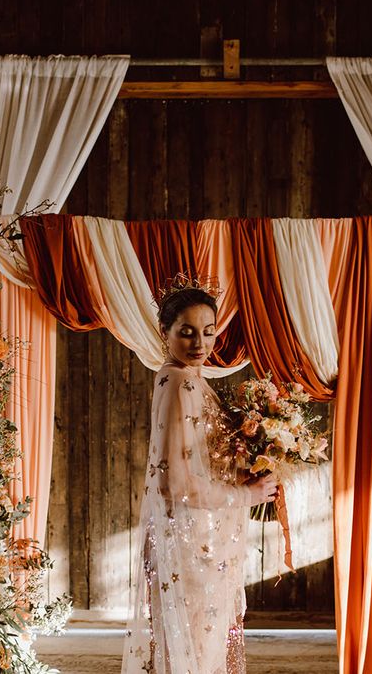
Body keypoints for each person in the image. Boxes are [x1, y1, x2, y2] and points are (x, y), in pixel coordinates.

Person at [122, 280, 278, 674]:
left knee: (195, 653)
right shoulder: (179, 381)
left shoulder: (184, 377)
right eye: (186, 332)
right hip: (192, 547)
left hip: (199, 541)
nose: (199, 343)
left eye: (208, 332)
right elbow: (176, 483)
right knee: (193, 655)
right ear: (165, 332)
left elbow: (200, 461)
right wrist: (249, 494)